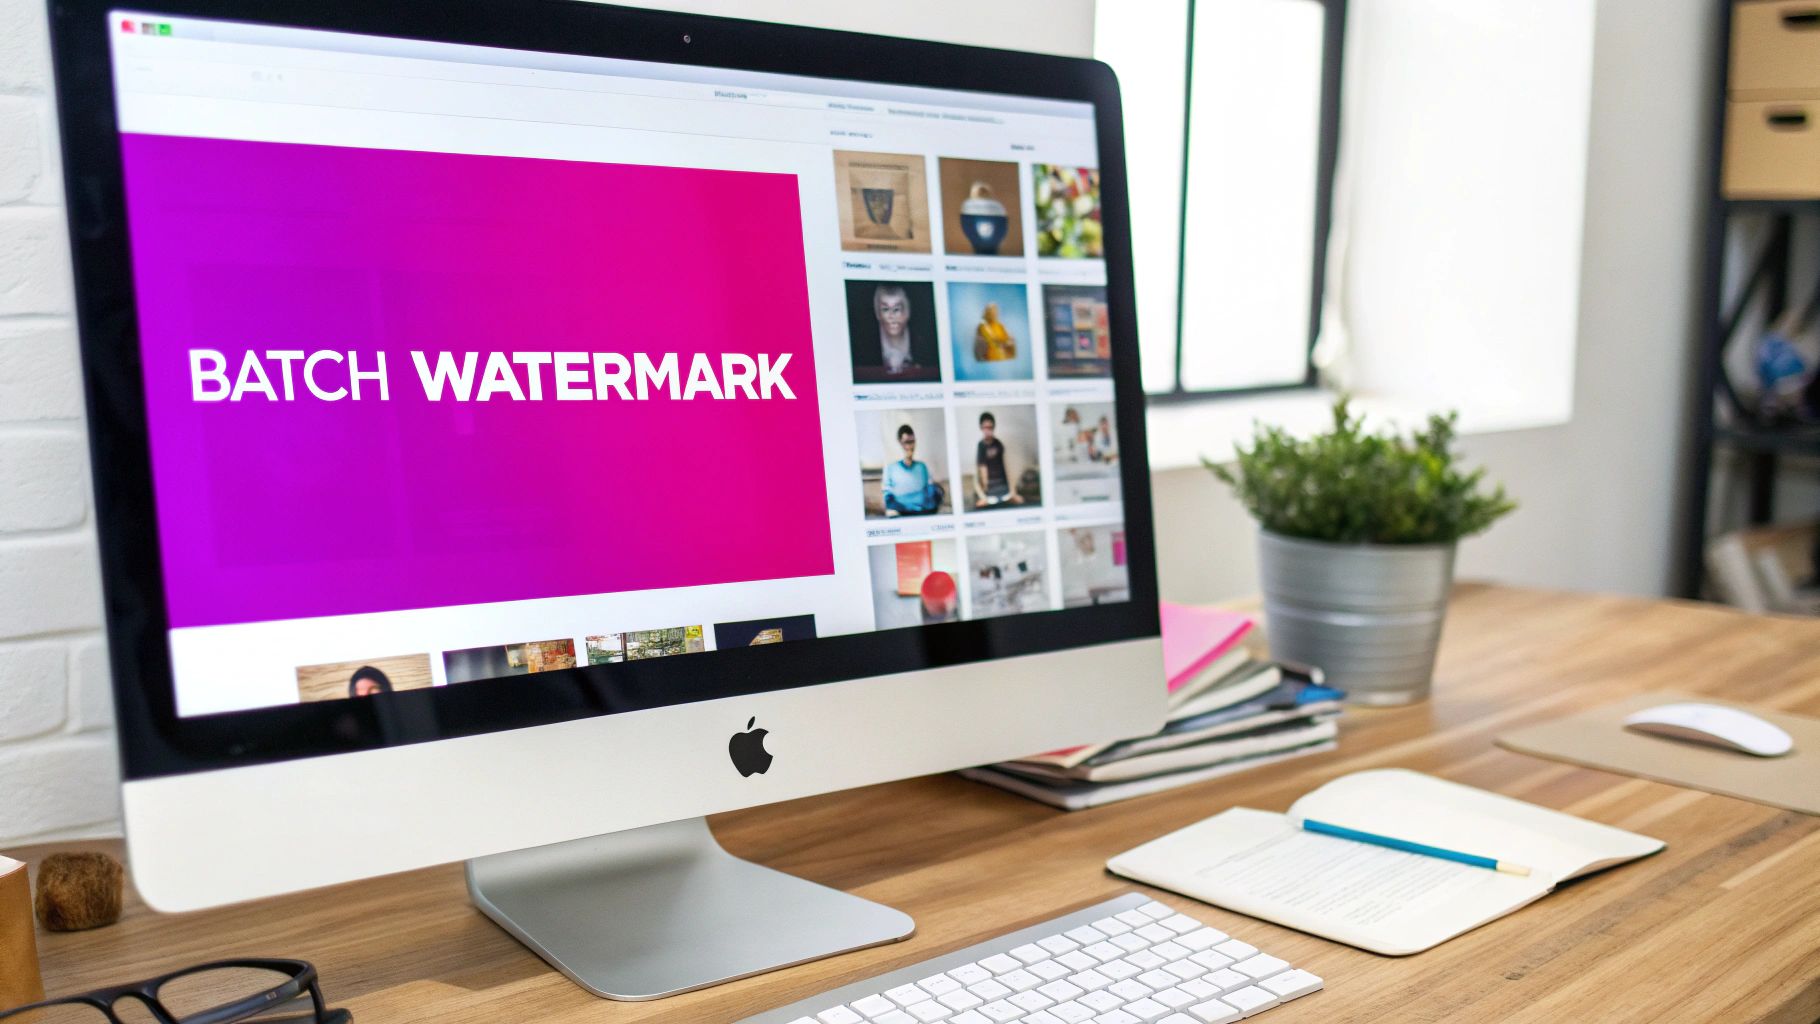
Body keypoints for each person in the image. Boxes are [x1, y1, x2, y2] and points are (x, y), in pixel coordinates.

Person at [882, 423, 944, 515]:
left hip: (923, 511)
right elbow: (887, 496)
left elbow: (930, 490)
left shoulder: (922, 467)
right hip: (902, 512)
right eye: (907, 442)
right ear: (900, 442)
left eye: (913, 442)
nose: (910, 446)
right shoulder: (891, 469)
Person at [874, 285, 919, 375]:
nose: (891, 316)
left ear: (906, 313)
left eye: (896, 309)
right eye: (885, 309)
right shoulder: (865, 343)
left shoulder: (922, 340)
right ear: (878, 314)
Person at [974, 411, 1017, 506]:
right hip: (989, 493)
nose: (987, 430)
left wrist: (1013, 491)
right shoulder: (981, 446)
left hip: (1004, 490)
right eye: (985, 427)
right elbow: (980, 471)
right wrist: (983, 496)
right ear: (981, 428)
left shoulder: (999, 444)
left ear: (993, 428)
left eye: (990, 427)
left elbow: (1008, 467)